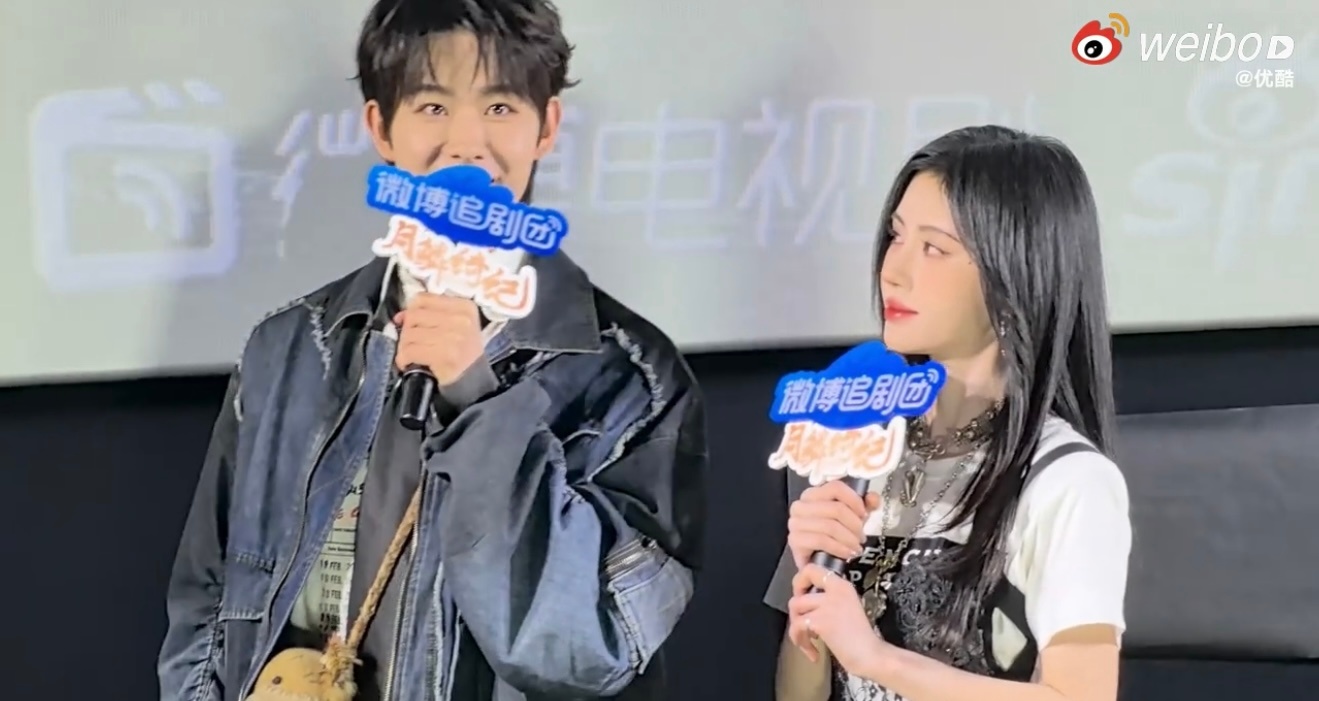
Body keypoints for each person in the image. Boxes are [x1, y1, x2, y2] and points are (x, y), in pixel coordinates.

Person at [157, 1, 708, 699]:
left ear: (547, 126)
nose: (466, 144)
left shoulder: (631, 379)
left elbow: (585, 650)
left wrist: (477, 402)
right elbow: (207, 599)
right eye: (433, 108)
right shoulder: (293, 346)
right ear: (380, 128)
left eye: (500, 108)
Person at [765, 125, 1130, 701]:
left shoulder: (1067, 480)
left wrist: (876, 658)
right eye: (896, 236)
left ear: (1014, 275)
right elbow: (799, 694)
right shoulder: (862, 441)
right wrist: (809, 588)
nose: (893, 270)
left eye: (934, 249)